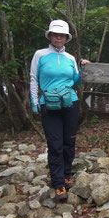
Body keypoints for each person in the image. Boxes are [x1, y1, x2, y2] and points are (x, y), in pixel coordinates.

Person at [30, 19, 89, 201]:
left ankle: (67, 174)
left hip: (70, 103)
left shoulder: (70, 58)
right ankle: (58, 182)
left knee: (69, 141)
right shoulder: (40, 55)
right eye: (55, 34)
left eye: (61, 35)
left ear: (66, 37)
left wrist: (82, 69)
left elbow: (76, 82)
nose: (58, 37)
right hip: (49, 104)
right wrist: (34, 102)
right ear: (50, 35)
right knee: (55, 144)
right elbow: (33, 79)